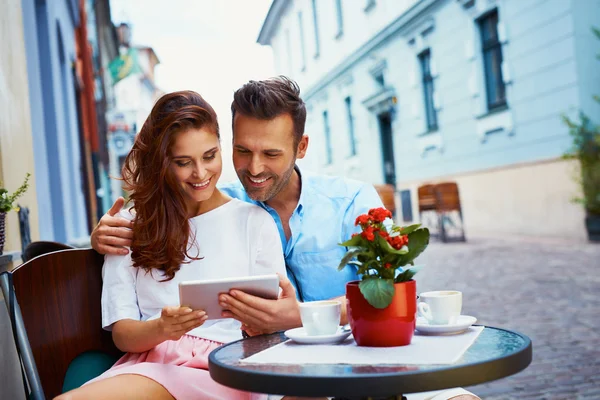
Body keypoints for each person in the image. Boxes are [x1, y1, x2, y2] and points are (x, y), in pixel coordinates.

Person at [91, 77, 479, 400]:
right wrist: (103, 235)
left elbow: (394, 294)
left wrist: (301, 315)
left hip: (362, 351)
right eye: (242, 151)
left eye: (271, 153)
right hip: (285, 367)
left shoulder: (352, 201)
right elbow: (174, 210)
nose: (254, 168)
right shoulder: (223, 205)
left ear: (301, 147)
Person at [57, 91, 286, 400]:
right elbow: (123, 334)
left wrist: (263, 321)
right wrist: (163, 329)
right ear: (162, 162)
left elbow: (271, 324)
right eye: (183, 162)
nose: (201, 174)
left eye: (209, 156)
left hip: (226, 368)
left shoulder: (254, 222)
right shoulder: (127, 226)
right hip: (149, 366)